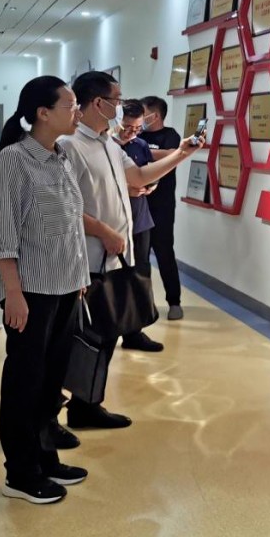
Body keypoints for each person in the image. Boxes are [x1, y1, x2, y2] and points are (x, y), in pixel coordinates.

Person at [60, 72, 203, 431]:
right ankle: (67, 410)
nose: (121, 106)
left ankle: (87, 405)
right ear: (98, 103)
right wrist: (103, 230)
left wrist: (181, 154)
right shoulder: (69, 146)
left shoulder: (109, 145)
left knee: (106, 334)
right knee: (82, 338)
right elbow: (61, 207)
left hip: (114, 257)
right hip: (85, 258)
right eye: (117, 99)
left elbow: (138, 177)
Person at [0, 76, 90, 505]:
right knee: (25, 382)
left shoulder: (61, 156)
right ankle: (20, 472)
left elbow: (69, 225)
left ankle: (46, 458)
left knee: (51, 381)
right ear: (43, 113)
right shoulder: (12, 161)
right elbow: (2, 234)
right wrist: (13, 293)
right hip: (31, 292)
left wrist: (79, 278)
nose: (77, 112)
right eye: (71, 105)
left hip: (65, 287)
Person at [114, 100, 162, 351]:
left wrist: (151, 185)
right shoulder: (105, 146)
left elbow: (148, 173)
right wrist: (126, 189)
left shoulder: (141, 145)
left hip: (140, 222)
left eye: (137, 128)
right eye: (127, 127)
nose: (131, 133)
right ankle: (109, 330)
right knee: (114, 279)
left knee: (140, 276)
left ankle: (134, 332)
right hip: (113, 224)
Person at [139, 96, 184, 320]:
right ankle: (142, 305)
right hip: (138, 205)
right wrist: (160, 154)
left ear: (155, 115)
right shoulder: (137, 134)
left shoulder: (170, 135)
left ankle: (174, 302)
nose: (140, 117)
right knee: (140, 258)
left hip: (163, 207)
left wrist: (142, 150)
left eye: (143, 112)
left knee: (165, 253)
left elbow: (175, 155)